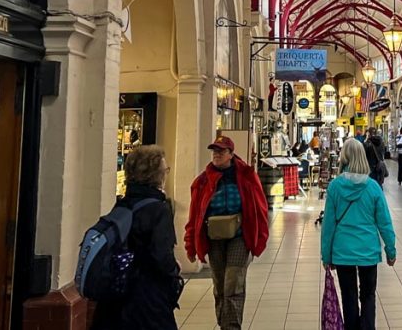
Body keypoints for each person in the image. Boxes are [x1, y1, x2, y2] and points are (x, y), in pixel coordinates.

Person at [92, 145, 182, 330]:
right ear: (156, 175)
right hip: (147, 299)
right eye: (165, 170)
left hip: (115, 298)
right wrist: (174, 271)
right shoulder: (158, 209)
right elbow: (161, 257)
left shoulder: (122, 205)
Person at [184, 136, 270, 330]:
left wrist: (260, 239)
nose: (216, 154)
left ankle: (231, 326)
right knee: (220, 285)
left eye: (221, 151)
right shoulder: (203, 181)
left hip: (239, 236)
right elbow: (195, 215)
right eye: (214, 150)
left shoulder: (246, 176)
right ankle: (224, 324)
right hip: (213, 238)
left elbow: (260, 208)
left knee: (233, 282)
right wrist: (190, 244)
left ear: (231, 154)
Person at [321, 139, 396, 330]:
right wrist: (390, 249)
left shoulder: (335, 187)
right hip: (368, 251)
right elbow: (384, 222)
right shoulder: (372, 187)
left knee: (349, 296)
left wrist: (326, 255)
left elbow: (328, 225)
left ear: (343, 158)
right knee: (368, 295)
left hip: (343, 251)